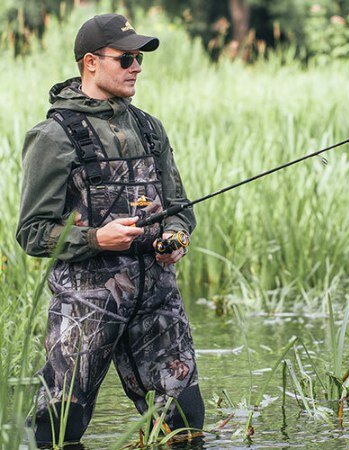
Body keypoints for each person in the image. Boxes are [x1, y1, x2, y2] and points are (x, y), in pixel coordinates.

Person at [16, 13, 204, 445]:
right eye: (126, 59)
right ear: (91, 62)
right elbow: (32, 232)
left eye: (139, 59)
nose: (136, 67)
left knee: (185, 424)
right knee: (58, 430)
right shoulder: (52, 136)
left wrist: (177, 235)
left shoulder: (150, 127)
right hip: (87, 304)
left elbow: (178, 207)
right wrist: (96, 238)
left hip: (157, 299)